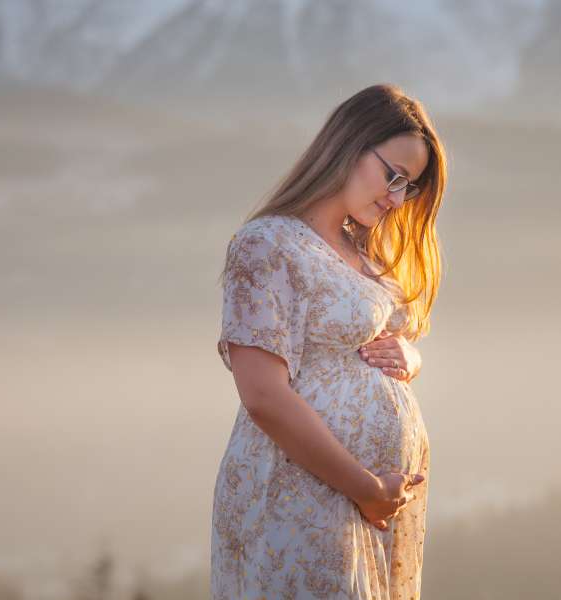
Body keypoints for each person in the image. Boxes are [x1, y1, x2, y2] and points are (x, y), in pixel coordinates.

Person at [211, 83, 447, 599]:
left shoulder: (362, 250)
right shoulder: (266, 245)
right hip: (303, 497)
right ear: (350, 145)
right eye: (395, 176)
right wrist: (367, 488)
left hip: (368, 507)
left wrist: (411, 357)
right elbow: (263, 397)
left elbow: (367, 344)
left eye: (409, 186)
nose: (397, 197)